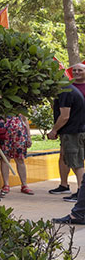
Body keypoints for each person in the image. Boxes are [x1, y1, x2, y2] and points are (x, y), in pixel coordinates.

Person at [48, 63, 85, 202]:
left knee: (76, 164)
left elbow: (64, 116)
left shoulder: (65, 91)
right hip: (78, 130)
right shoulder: (70, 89)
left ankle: (81, 194)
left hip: (72, 133)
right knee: (75, 161)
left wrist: (54, 130)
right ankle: (75, 190)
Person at [0, 115, 34, 196]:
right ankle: (6, 184)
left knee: (20, 159)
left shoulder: (19, 106)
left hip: (19, 135)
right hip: (4, 134)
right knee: (5, 159)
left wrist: (28, 136)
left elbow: (25, 120)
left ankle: (24, 184)